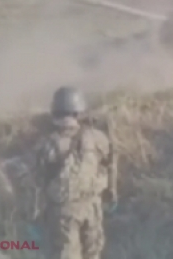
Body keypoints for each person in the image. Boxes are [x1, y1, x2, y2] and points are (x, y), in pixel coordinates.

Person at [30, 86, 117, 259]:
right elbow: (110, 162)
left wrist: (34, 215)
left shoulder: (48, 144)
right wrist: (112, 192)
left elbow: (35, 181)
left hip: (64, 213)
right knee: (93, 254)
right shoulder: (96, 138)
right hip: (92, 207)